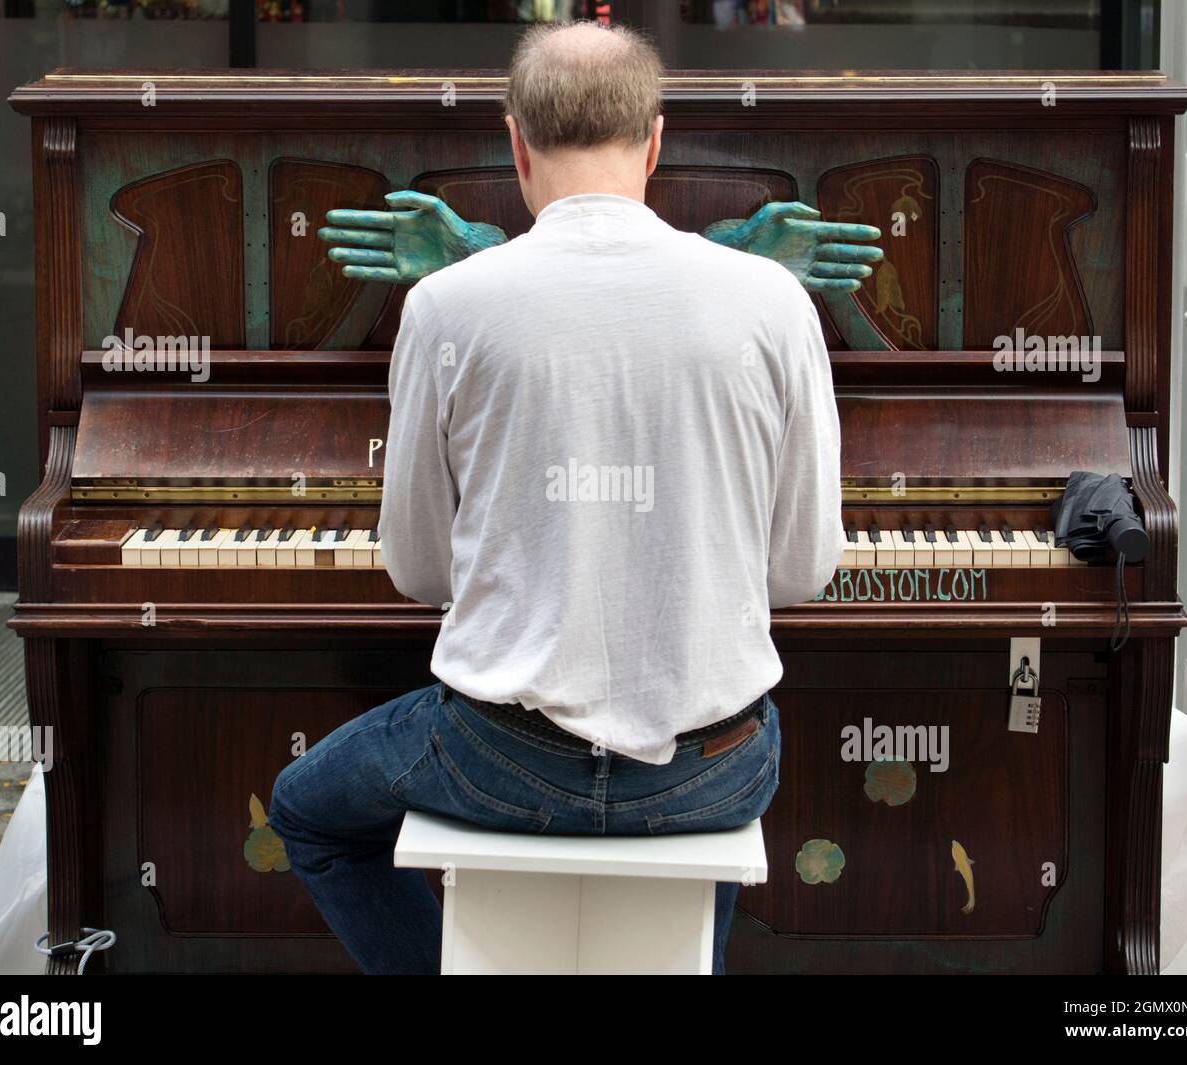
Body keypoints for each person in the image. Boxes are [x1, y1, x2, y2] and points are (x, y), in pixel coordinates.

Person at [267, 20, 867, 976]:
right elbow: (803, 570)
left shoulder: (446, 304)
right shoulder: (774, 302)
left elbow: (417, 570)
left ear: (515, 142)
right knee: (705, 765)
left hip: (501, 757)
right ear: (657, 139)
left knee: (306, 810)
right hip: (713, 768)